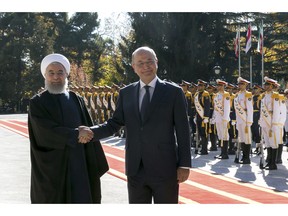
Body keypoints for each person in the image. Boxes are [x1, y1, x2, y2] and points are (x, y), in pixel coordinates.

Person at [84, 46, 192, 204]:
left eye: (149, 62)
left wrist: (184, 164)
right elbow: (114, 123)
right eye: (140, 63)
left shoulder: (173, 92)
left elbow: (183, 131)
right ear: (134, 67)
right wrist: (91, 132)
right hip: (136, 169)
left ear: (157, 63)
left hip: (165, 168)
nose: (145, 66)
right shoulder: (126, 93)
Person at [28, 53, 109, 203]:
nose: (56, 77)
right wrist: (75, 134)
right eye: (51, 73)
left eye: (60, 72)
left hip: (78, 162)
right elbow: (44, 132)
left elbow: (88, 127)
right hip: (53, 167)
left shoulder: (76, 99)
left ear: (67, 74)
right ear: (45, 75)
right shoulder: (37, 102)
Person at [259, 76, 280, 170]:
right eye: (265, 84)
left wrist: (274, 124)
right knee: (267, 143)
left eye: (268, 84)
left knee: (273, 143)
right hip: (264, 122)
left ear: (272, 86)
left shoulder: (275, 95)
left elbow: (276, 110)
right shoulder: (264, 95)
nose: (266, 86)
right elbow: (261, 110)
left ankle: (273, 163)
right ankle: (269, 161)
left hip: (271, 122)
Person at [233, 77, 253, 164]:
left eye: (242, 84)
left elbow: (250, 109)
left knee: (247, 139)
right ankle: (243, 156)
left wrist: (249, 121)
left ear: (246, 85)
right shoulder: (237, 95)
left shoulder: (248, 94)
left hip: (245, 120)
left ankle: (247, 158)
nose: (240, 85)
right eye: (239, 84)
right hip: (239, 119)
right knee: (241, 139)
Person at [212, 79, 231, 159]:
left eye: (220, 85)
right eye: (218, 85)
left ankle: (225, 153)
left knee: (225, 135)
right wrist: (213, 117)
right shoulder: (216, 95)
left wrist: (225, 118)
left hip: (223, 118)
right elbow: (215, 108)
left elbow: (227, 107)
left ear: (223, 86)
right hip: (218, 117)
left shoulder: (226, 95)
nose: (218, 87)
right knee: (220, 135)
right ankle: (222, 152)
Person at [194, 79, 210, 155]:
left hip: (203, 117)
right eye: (198, 85)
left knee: (204, 134)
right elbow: (195, 107)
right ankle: (201, 148)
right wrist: (195, 116)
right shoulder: (196, 94)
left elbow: (207, 106)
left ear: (204, 86)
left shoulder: (206, 94)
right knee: (200, 133)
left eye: (201, 85)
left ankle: (204, 149)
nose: (199, 87)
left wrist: (206, 117)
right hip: (198, 116)